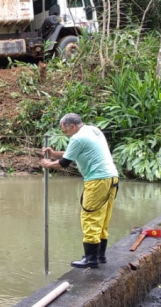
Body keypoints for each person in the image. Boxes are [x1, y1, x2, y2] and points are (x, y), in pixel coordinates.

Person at [40, 113, 119, 269]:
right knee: (102, 218)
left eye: (66, 131)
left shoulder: (77, 138)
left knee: (90, 216)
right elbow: (77, 152)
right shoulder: (93, 130)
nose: (66, 134)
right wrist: (55, 154)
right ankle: (99, 256)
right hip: (112, 178)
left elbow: (64, 163)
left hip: (97, 180)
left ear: (73, 127)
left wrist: (47, 164)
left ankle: (91, 259)